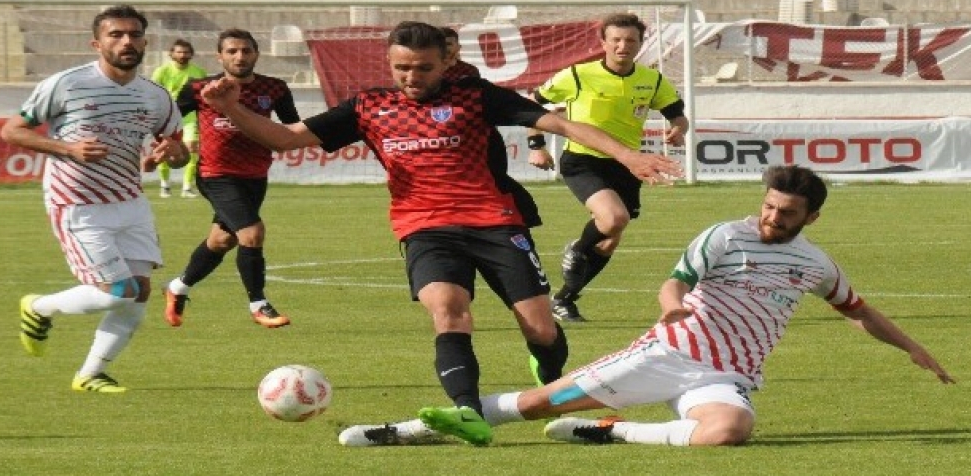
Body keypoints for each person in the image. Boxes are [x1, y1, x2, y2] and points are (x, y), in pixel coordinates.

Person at [197, 21, 683, 446]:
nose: (411, 77)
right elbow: (287, 138)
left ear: (444, 63)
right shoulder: (369, 106)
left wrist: (627, 155)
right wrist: (233, 110)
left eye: (423, 68)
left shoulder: (474, 95)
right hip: (424, 227)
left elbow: (556, 120)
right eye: (402, 68)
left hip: (495, 222)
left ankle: (553, 388)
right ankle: (468, 411)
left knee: (540, 326)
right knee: (449, 312)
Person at [338, 165, 955, 447]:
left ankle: (610, 432)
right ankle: (404, 430)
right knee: (529, 406)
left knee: (729, 431)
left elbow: (861, 310)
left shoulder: (815, 263)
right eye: (769, 206)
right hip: (667, 353)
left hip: (726, 376)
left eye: (786, 213)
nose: (772, 217)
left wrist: (915, 348)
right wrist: (672, 307)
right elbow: (675, 282)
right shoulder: (723, 235)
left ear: (810, 218)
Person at [2, 4, 189, 393]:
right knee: (119, 292)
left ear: (145, 41)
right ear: (97, 42)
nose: (126, 42)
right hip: (77, 203)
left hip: (130, 202)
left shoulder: (155, 96)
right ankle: (39, 307)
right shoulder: (67, 84)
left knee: (140, 292)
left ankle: (90, 374)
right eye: (116, 35)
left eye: (134, 35)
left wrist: (167, 155)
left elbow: (177, 148)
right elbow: (12, 132)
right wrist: (67, 149)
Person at [528, 12, 690, 322]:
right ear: (603, 42)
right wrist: (536, 146)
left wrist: (679, 128)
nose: (622, 46)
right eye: (615, 39)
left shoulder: (651, 79)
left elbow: (677, 115)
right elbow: (532, 105)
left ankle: (564, 298)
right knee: (614, 218)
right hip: (582, 160)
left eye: (630, 40)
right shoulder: (577, 75)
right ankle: (577, 247)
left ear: (640, 44)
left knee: (609, 239)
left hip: (628, 165)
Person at [162, 29, 301, 329]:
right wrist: (168, 143)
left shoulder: (274, 88)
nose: (240, 57)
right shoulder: (200, 87)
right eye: (232, 51)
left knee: (221, 240)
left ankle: (177, 288)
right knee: (252, 233)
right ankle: (259, 304)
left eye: (246, 51)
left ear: (256, 54)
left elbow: (293, 127)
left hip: (255, 176)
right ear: (219, 56)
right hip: (216, 175)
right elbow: (167, 117)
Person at [442, 26, 542, 229]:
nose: (447, 48)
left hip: (479, 133)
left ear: (458, 46)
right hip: (449, 138)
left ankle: (517, 216)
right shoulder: (430, 72)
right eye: (442, 44)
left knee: (496, 176)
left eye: (450, 44)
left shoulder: (468, 71)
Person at [151, 38, 208, 198]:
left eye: (186, 52)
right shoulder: (161, 71)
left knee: (192, 150)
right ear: (172, 54)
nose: (183, 55)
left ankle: (187, 187)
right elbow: (154, 94)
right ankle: (165, 185)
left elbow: (203, 97)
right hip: (167, 116)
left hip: (189, 117)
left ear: (191, 54)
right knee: (165, 149)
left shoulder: (198, 72)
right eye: (179, 52)